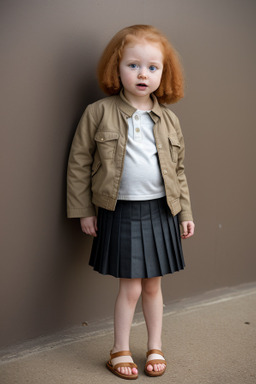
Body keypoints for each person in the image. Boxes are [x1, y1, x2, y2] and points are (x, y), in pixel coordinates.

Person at [67, 24, 195, 380]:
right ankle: (119, 349)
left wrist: (184, 212)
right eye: (133, 65)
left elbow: (179, 170)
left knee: (154, 285)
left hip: (160, 210)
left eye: (153, 67)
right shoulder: (99, 112)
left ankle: (155, 345)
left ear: (163, 74)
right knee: (131, 287)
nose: (143, 74)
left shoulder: (169, 119)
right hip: (120, 210)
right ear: (116, 68)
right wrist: (84, 211)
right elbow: (78, 163)